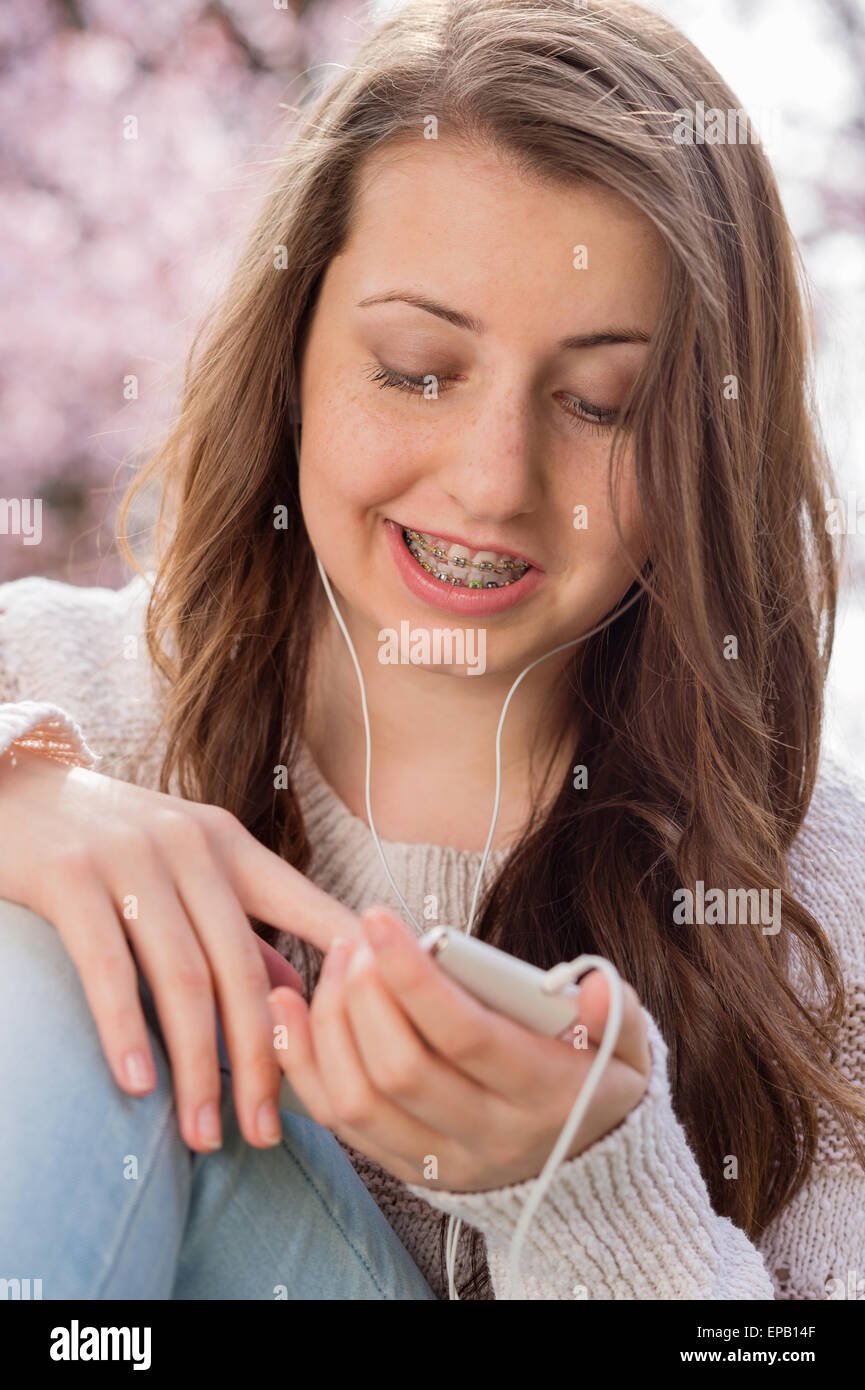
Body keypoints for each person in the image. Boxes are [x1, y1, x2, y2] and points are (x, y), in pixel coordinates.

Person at [1, 0, 864, 1301]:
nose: (492, 478)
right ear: (292, 356)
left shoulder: (822, 906)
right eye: (414, 369)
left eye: (597, 404)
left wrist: (584, 1193)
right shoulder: (51, 686)